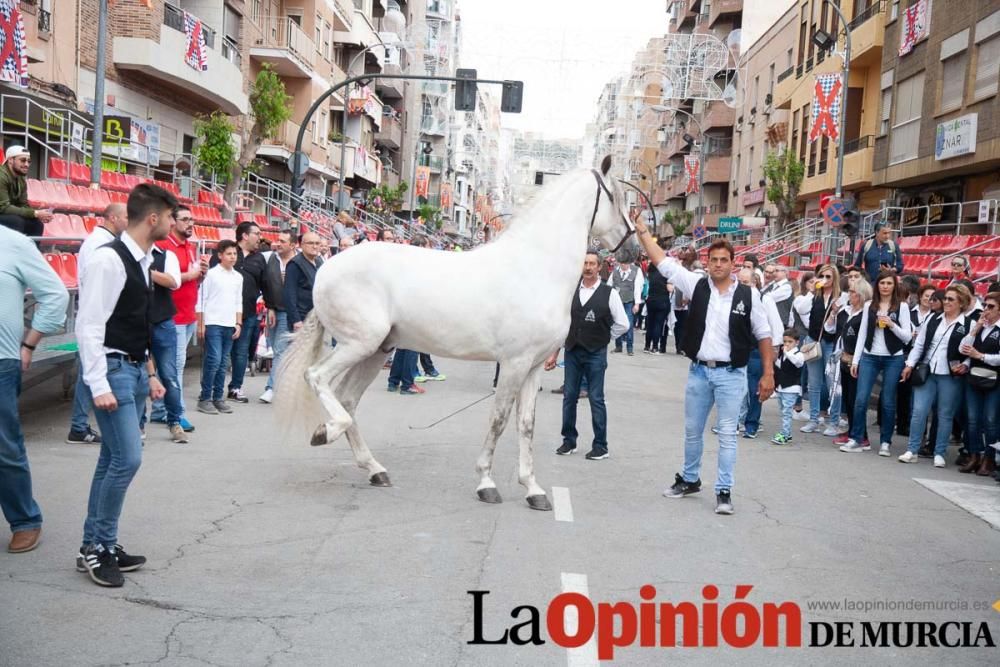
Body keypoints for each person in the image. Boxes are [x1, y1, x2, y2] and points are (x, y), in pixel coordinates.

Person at [636, 222, 775, 516]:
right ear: (708, 263)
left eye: (724, 260)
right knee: (692, 430)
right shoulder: (697, 285)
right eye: (714, 260)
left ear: (733, 264)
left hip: (731, 375)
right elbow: (664, 264)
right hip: (699, 372)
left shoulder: (749, 297)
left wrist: (768, 374)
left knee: (727, 434)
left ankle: (724, 491)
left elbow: (764, 336)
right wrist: (643, 234)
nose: (719, 265)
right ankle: (689, 479)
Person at [75, 183, 174, 587]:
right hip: (112, 370)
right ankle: (99, 547)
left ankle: (95, 545)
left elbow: (137, 321)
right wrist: (98, 383)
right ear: (152, 219)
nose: (172, 223)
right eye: (169, 217)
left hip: (132, 369)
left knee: (111, 460)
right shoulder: (108, 261)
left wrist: (149, 373)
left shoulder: (143, 259)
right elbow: (89, 325)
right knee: (127, 460)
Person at [0, 225, 69, 553]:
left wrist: (28, 344)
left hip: (1, 362)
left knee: (4, 446)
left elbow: (56, 295)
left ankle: (25, 520)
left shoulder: (14, 243)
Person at [546, 250, 629, 460]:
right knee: (569, 397)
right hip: (573, 351)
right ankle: (569, 440)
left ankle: (601, 445)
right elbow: (562, 326)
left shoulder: (609, 293)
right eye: (585, 263)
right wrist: (554, 353)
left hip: (595, 353)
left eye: (592, 263)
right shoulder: (572, 292)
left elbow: (623, 324)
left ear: (599, 267)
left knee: (596, 398)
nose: (588, 267)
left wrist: (604, 337)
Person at [66, 203, 128, 445]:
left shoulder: (100, 241)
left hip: (99, 314)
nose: (128, 222)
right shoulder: (100, 244)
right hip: (98, 316)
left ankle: (79, 425)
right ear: (112, 218)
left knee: (88, 369)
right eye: (125, 217)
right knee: (88, 370)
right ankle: (78, 426)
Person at [898, 284, 973, 467]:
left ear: (961, 303)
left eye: (950, 299)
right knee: (919, 411)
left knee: (945, 414)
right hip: (927, 370)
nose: (946, 302)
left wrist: (965, 364)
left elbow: (970, 351)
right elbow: (920, 344)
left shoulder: (968, 324)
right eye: (945, 298)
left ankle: (939, 451)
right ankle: (912, 449)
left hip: (950, 374)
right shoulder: (933, 318)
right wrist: (910, 364)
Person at [840, 270, 912, 455]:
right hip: (869, 355)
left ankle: (885, 441)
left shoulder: (901, 306)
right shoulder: (869, 305)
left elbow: (906, 337)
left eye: (889, 283)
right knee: (860, 399)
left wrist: (891, 324)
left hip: (893, 357)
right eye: (882, 283)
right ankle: (856, 438)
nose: (885, 286)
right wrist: (856, 360)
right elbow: (862, 333)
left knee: (887, 400)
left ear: (894, 285)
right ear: (877, 285)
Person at [152, 206, 204, 430]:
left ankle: (160, 410)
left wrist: (200, 275)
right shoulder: (163, 246)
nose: (190, 223)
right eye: (185, 219)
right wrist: (190, 275)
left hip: (188, 312)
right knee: (175, 367)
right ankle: (177, 412)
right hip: (173, 316)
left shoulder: (189, 246)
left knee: (172, 366)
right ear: (172, 222)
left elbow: (191, 279)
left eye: (192, 219)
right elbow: (163, 278)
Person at [214, 222, 265, 404]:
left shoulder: (259, 258)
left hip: (248, 313)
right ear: (245, 235)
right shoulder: (227, 251)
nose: (259, 237)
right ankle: (213, 389)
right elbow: (213, 277)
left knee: (241, 353)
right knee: (218, 354)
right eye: (256, 233)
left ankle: (235, 388)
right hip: (222, 314)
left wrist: (271, 306)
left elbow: (265, 284)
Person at [197, 239, 243, 416]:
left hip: (229, 324)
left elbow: (238, 301)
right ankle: (205, 397)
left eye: (234, 254)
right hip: (213, 322)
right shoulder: (211, 275)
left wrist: (238, 323)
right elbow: (202, 299)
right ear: (220, 256)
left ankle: (218, 397)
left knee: (223, 362)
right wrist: (201, 323)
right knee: (213, 360)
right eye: (229, 254)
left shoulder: (238, 277)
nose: (233, 257)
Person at [960, 291, 1000, 476]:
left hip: (994, 379)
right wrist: (975, 329)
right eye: (985, 306)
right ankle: (975, 455)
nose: (986, 310)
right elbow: (963, 348)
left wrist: (980, 356)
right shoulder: (981, 326)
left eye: (991, 307)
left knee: (990, 420)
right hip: (974, 377)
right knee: (972, 419)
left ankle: (989, 458)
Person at [803, 264, 843, 436]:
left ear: (834, 279)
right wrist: (811, 291)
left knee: (832, 383)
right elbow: (802, 310)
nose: (824, 280)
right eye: (822, 276)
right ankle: (814, 419)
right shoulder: (815, 296)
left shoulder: (839, 297)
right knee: (813, 383)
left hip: (830, 342)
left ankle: (833, 421)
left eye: (828, 277)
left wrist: (834, 313)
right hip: (813, 339)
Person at [831, 279, 872, 447]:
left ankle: (861, 434)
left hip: (856, 359)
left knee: (856, 399)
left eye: (853, 292)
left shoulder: (865, 313)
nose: (850, 295)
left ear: (861, 295)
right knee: (848, 399)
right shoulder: (849, 311)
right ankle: (853, 429)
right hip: (845, 358)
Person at [259, 230, 296, 404]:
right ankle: (286, 387)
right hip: (274, 310)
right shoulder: (270, 258)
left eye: (282, 241)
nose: (278, 243)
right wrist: (270, 307)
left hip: (292, 313)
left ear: (292, 245)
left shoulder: (299, 262)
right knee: (277, 348)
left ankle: (271, 388)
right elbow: (266, 285)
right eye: (277, 240)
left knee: (280, 350)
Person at [0, 146, 54, 236]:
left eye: (29, 161)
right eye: (23, 160)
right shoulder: (1, 176)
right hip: (3, 212)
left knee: (36, 224)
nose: (27, 164)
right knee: (16, 221)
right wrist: (34, 213)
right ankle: (12, 250)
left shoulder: (20, 179)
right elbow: (3, 207)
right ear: (10, 160)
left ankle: (30, 250)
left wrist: (40, 215)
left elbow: (23, 205)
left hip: (5, 213)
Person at [284, 231, 324, 332]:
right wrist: (296, 320)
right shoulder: (295, 264)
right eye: (310, 243)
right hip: (302, 318)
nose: (314, 246)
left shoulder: (319, 261)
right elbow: (289, 294)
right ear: (302, 245)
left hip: (317, 317)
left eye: (317, 243)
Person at [771, 329, 806, 445]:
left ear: (797, 342)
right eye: (785, 341)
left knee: (786, 412)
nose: (786, 344)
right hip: (782, 387)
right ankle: (788, 433)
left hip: (792, 388)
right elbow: (780, 367)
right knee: (783, 411)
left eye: (790, 342)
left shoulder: (799, 355)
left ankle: (785, 434)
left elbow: (797, 362)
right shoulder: (783, 356)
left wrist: (786, 353)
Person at [608, 249, 644, 355]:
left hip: (629, 301)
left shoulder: (636, 271)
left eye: (626, 263)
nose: (624, 265)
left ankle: (629, 348)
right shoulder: (615, 272)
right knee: (617, 323)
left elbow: (638, 287)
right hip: (617, 301)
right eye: (622, 263)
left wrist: (637, 303)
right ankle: (618, 346)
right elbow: (609, 286)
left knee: (628, 324)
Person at [643, 248, 671, 354]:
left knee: (650, 323)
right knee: (658, 324)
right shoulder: (665, 274)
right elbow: (670, 289)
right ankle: (655, 347)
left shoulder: (651, 273)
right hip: (662, 300)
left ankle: (646, 346)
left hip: (651, 300)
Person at [670, 247, 697, 355]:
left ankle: (681, 346)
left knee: (684, 326)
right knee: (678, 326)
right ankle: (678, 346)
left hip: (685, 301)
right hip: (674, 299)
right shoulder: (677, 267)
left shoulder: (689, 268)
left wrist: (687, 299)